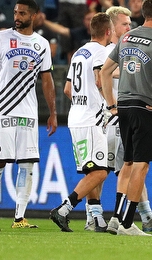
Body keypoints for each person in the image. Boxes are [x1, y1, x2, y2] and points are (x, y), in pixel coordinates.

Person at [100, 0, 152, 237]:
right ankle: (127, 223)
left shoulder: (127, 37)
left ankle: (117, 219)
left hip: (124, 107)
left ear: (143, 13)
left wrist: (112, 105)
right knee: (141, 166)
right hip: (145, 108)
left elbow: (105, 72)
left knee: (129, 164)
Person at [0, 0, 57, 230]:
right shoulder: (1, 38)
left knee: (28, 164)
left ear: (33, 16)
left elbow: (47, 80)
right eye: (15, 12)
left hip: (29, 113)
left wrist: (52, 112)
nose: (17, 16)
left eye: (22, 13)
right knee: (0, 161)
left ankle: (19, 218)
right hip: (3, 110)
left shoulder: (41, 44)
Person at [49, 12, 113, 233]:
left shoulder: (79, 52)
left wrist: (81, 101)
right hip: (91, 118)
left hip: (75, 116)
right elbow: (99, 77)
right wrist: (108, 105)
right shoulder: (102, 51)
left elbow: (67, 89)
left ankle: (96, 218)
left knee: (90, 170)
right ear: (108, 31)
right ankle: (65, 209)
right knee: (101, 171)